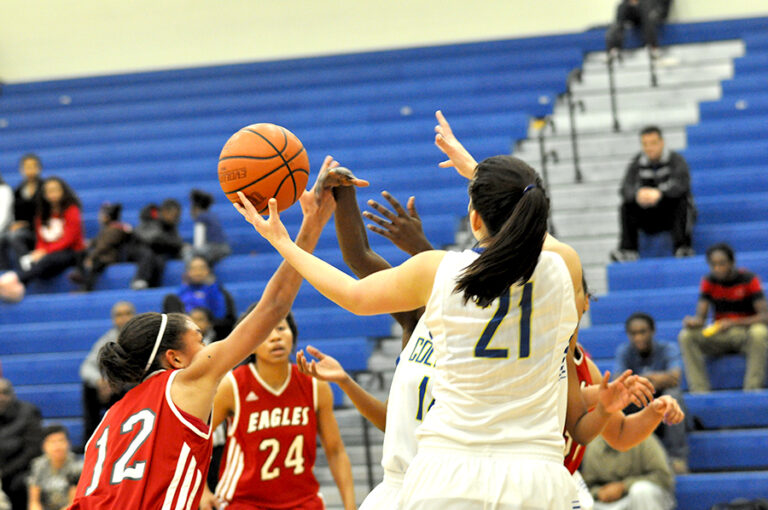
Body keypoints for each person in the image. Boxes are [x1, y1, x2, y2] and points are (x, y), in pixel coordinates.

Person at [239, 142, 638, 509]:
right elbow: (533, 232)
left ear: (475, 217)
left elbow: (353, 295)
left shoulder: (442, 271)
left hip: (449, 473)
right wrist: (480, 176)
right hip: (536, 475)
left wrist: (284, 242)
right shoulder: (563, 268)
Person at [69, 163, 336, 510]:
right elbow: (274, 306)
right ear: (175, 359)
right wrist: (312, 223)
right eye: (200, 339)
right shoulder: (184, 381)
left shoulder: (108, 422)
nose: (210, 347)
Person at [200, 303, 356, 510]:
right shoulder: (233, 386)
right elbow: (195, 440)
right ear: (250, 343)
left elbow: (335, 451)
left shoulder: (314, 385)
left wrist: (350, 506)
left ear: (292, 334)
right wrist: (202, 490)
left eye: (281, 328)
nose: (275, 337)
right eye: (265, 333)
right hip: (244, 502)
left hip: (303, 501)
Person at [678, 243, 768, 392]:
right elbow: (701, 318)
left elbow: (764, 317)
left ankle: (752, 389)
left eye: (722, 264)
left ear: (732, 263)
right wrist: (693, 322)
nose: (718, 268)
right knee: (687, 336)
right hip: (720, 333)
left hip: (745, 334)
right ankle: (700, 391)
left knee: (760, 332)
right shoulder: (708, 281)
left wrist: (734, 322)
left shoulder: (749, 279)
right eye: (713, 264)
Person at [614, 312, 688, 472]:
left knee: (673, 394)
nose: (638, 337)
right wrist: (656, 378)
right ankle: (620, 461)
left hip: (663, 406)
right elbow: (619, 383)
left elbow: (675, 378)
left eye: (642, 332)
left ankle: (677, 458)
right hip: (638, 405)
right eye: (633, 333)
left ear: (652, 331)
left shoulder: (668, 348)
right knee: (614, 401)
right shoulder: (624, 352)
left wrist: (640, 380)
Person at [610, 126, 695, 262]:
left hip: (669, 213)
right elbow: (625, 189)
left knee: (683, 202)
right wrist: (638, 194)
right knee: (626, 206)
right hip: (647, 214)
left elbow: (682, 185)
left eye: (653, 143)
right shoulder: (636, 163)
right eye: (645, 144)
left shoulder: (676, 160)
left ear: (662, 142)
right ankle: (628, 250)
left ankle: (682, 247)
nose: (649, 148)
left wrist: (660, 193)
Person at [0, 177, 85, 302]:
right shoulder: (42, 213)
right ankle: (19, 287)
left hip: (71, 253)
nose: (52, 194)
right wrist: (38, 252)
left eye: (55, 190)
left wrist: (45, 251)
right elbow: (41, 238)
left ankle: (18, 278)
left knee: (48, 260)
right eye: (49, 191)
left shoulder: (71, 210)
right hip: (50, 256)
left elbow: (69, 240)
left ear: (63, 191)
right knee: (35, 260)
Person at [79, 301, 136, 446]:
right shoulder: (107, 339)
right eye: (119, 315)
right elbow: (86, 367)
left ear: (135, 316)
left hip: (133, 387)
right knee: (89, 387)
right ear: (113, 319)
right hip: (113, 389)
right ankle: (90, 440)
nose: (123, 318)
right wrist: (100, 381)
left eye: (127, 314)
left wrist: (118, 380)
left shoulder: (142, 338)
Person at [580, 434, 675, 510]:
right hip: (608, 504)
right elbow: (586, 486)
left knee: (641, 491)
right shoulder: (593, 445)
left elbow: (663, 477)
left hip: (644, 499)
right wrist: (599, 493)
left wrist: (624, 486)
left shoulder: (645, 439)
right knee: (580, 502)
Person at [162, 256, 235, 340]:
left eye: (201, 268)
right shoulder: (179, 294)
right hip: (184, 331)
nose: (198, 272)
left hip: (213, 333)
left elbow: (224, 318)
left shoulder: (218, 292)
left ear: (208, 271)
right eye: (194, 269)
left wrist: (205, 323)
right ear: (188, 272)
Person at [0, 378, 43, 510]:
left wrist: (4, 472)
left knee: (21, 483)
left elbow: (33, 450)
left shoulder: (28, 412)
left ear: (12, 394)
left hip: (20, 470)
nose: (1, 398)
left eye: (5, 393)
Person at [69, 202, 132, 292]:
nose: (100, 217)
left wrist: (91, 257)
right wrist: (89, 243)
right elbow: (98, 240)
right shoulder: (108, 228)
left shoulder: (114, 229)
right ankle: (80, 273)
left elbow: (103, 246)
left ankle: (86, 288)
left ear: (107, 217)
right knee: (80, 253)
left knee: (94, 266)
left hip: (108, 257)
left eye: (102, 215)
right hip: (102, 255)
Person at [128, 199, 183, 290]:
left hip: (156, 253)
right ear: (164, 212)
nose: (176, 219)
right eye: (174, 215)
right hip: (137, 250)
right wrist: (168, 242)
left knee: (160, 260)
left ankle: (153, 286)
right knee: (147, 254)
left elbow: (177, 243)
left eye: (178, 216)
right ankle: (139, 280)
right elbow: (151, 238)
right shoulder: (150, 219)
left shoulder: (171, 227)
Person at [0, 154, 43, 272]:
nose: (30, 170)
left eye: (33, 166)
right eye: (26, 167)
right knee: (3, 237)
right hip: (25, 231)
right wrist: (15, 224)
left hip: (41, 231)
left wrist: (27, 223)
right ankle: (4, 271)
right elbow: (16, 215)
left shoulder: (45, 188)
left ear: (39, 168)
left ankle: (27, 270)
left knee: (15, 236)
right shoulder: (18, 191)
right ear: (21, 170)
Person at [27, 424, 82, 510]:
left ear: (68, 443)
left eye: (61, 440)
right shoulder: (38, 465)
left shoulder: (77, 466)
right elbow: (34, 501)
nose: (57, 446)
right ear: (44, 446)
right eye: (52, 442)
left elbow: (73, 503)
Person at [605, 0, 672, 59]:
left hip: (654, 10)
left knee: (645, 5)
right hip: (638, 10)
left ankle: (653, 47)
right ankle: (614, 48)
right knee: (622, 7)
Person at [183, 189, 231, 266]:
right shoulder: (212, 215)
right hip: (224, 248)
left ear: (196, 209)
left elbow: (199, 244)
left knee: (187, 251)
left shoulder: (201, 218)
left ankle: (191, 271)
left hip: (215, 248)